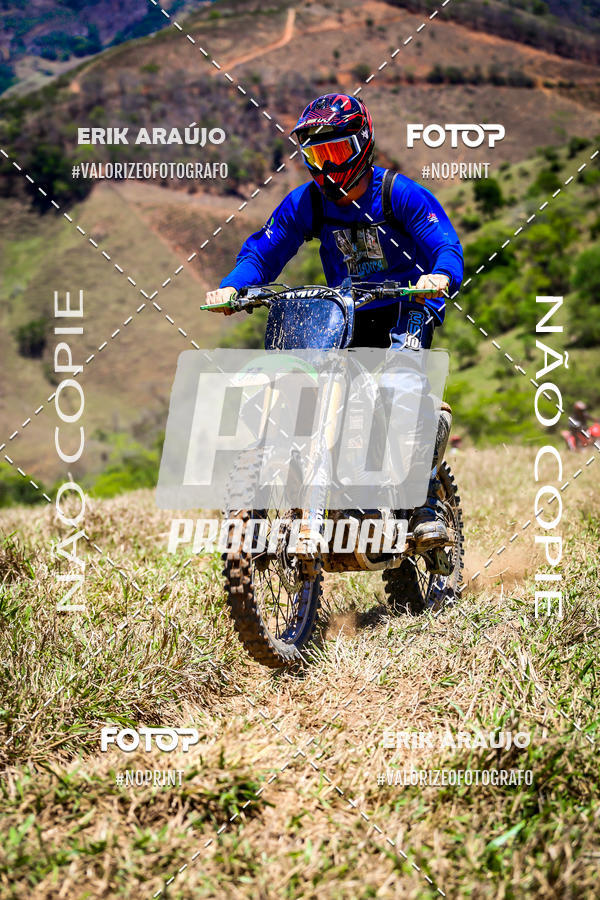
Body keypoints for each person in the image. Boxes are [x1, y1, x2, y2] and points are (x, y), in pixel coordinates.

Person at [204, 93, 464, 550]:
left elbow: (444, 243)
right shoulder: (309, 203)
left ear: (362, 145)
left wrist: (440, 275)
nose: (326, 166)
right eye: (316, 155)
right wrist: (233, 286)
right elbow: (264, 251)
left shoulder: (397, 193)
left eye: (336, 151)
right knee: (311, 382)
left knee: (402, 384)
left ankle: (423, 501)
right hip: (346, 310)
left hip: (407, 303)